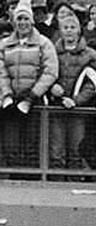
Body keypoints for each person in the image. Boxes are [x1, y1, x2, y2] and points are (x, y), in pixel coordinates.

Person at [0, 0, 59, 169]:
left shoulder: (44, 43)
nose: (22, 23)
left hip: (35, 102)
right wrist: (7, 95)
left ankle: (32, 182)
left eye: (26, 19)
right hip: (11, 102)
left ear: (31, 20)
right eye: (19, 19)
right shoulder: (4, 45)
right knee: (11, 147)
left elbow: (50, 71)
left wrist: (32, 96)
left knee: (33, 146)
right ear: (14, 21)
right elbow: (1, 72)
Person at [47, 9, 96, 173]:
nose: (69, 30)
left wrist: (76, 100)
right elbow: (45, 73)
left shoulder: (91, 55)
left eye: (72, 27)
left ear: (79, 30)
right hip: (56, 108)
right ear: (61, 31)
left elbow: (93, 83)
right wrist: (52, 87)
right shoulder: (52, 53)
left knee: (76, 151)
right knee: (56, 152)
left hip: (78, 110)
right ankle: (56, 188)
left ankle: (74, 185)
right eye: (66, 27)